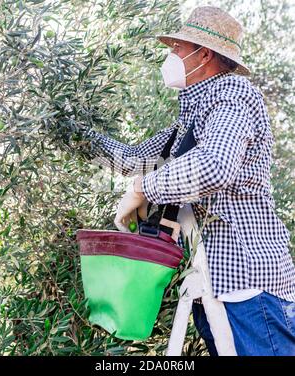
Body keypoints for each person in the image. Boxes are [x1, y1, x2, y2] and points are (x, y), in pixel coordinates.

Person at [80, 6, 295, 355]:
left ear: (204, 54)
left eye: (177, 48)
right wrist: (76, 134)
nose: (171, 56)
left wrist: (141, 188)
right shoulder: (193, 115)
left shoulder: (233, 94)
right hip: (216, 285)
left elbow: (214, 166)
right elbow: (136, 160)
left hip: (248, 287)